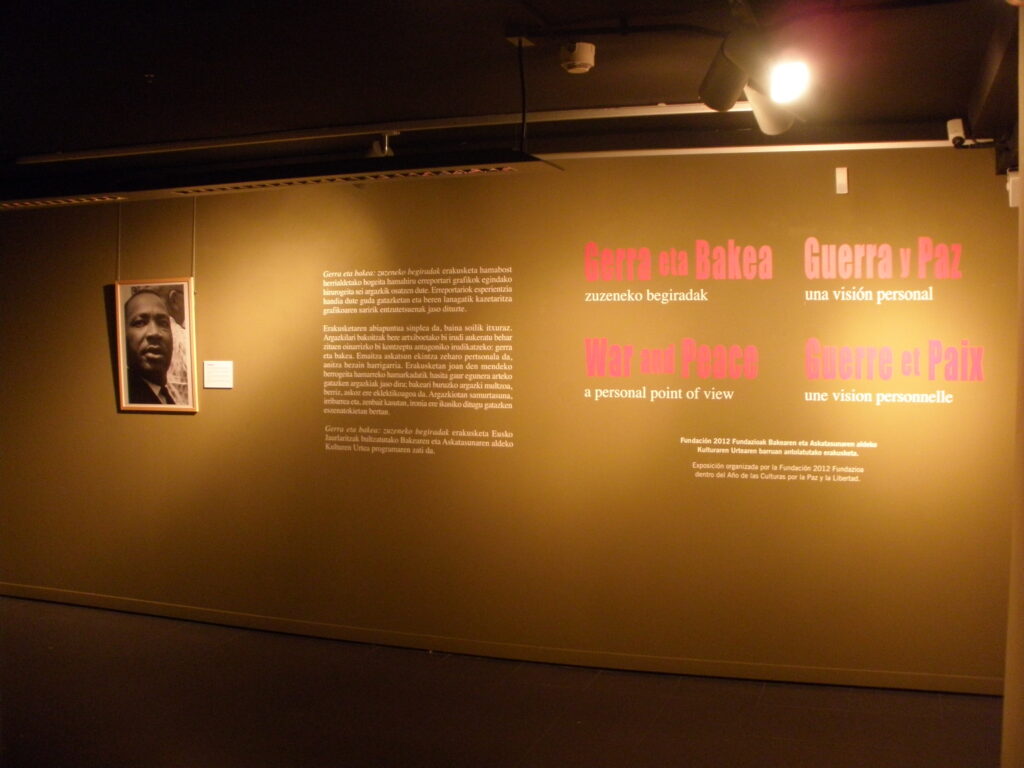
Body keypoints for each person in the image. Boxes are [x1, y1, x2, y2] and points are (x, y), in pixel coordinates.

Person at [124, 289, 178, 405]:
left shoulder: (163, 396)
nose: (154, 333)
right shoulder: (127, 397)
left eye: (163, 323)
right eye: (140, 322)